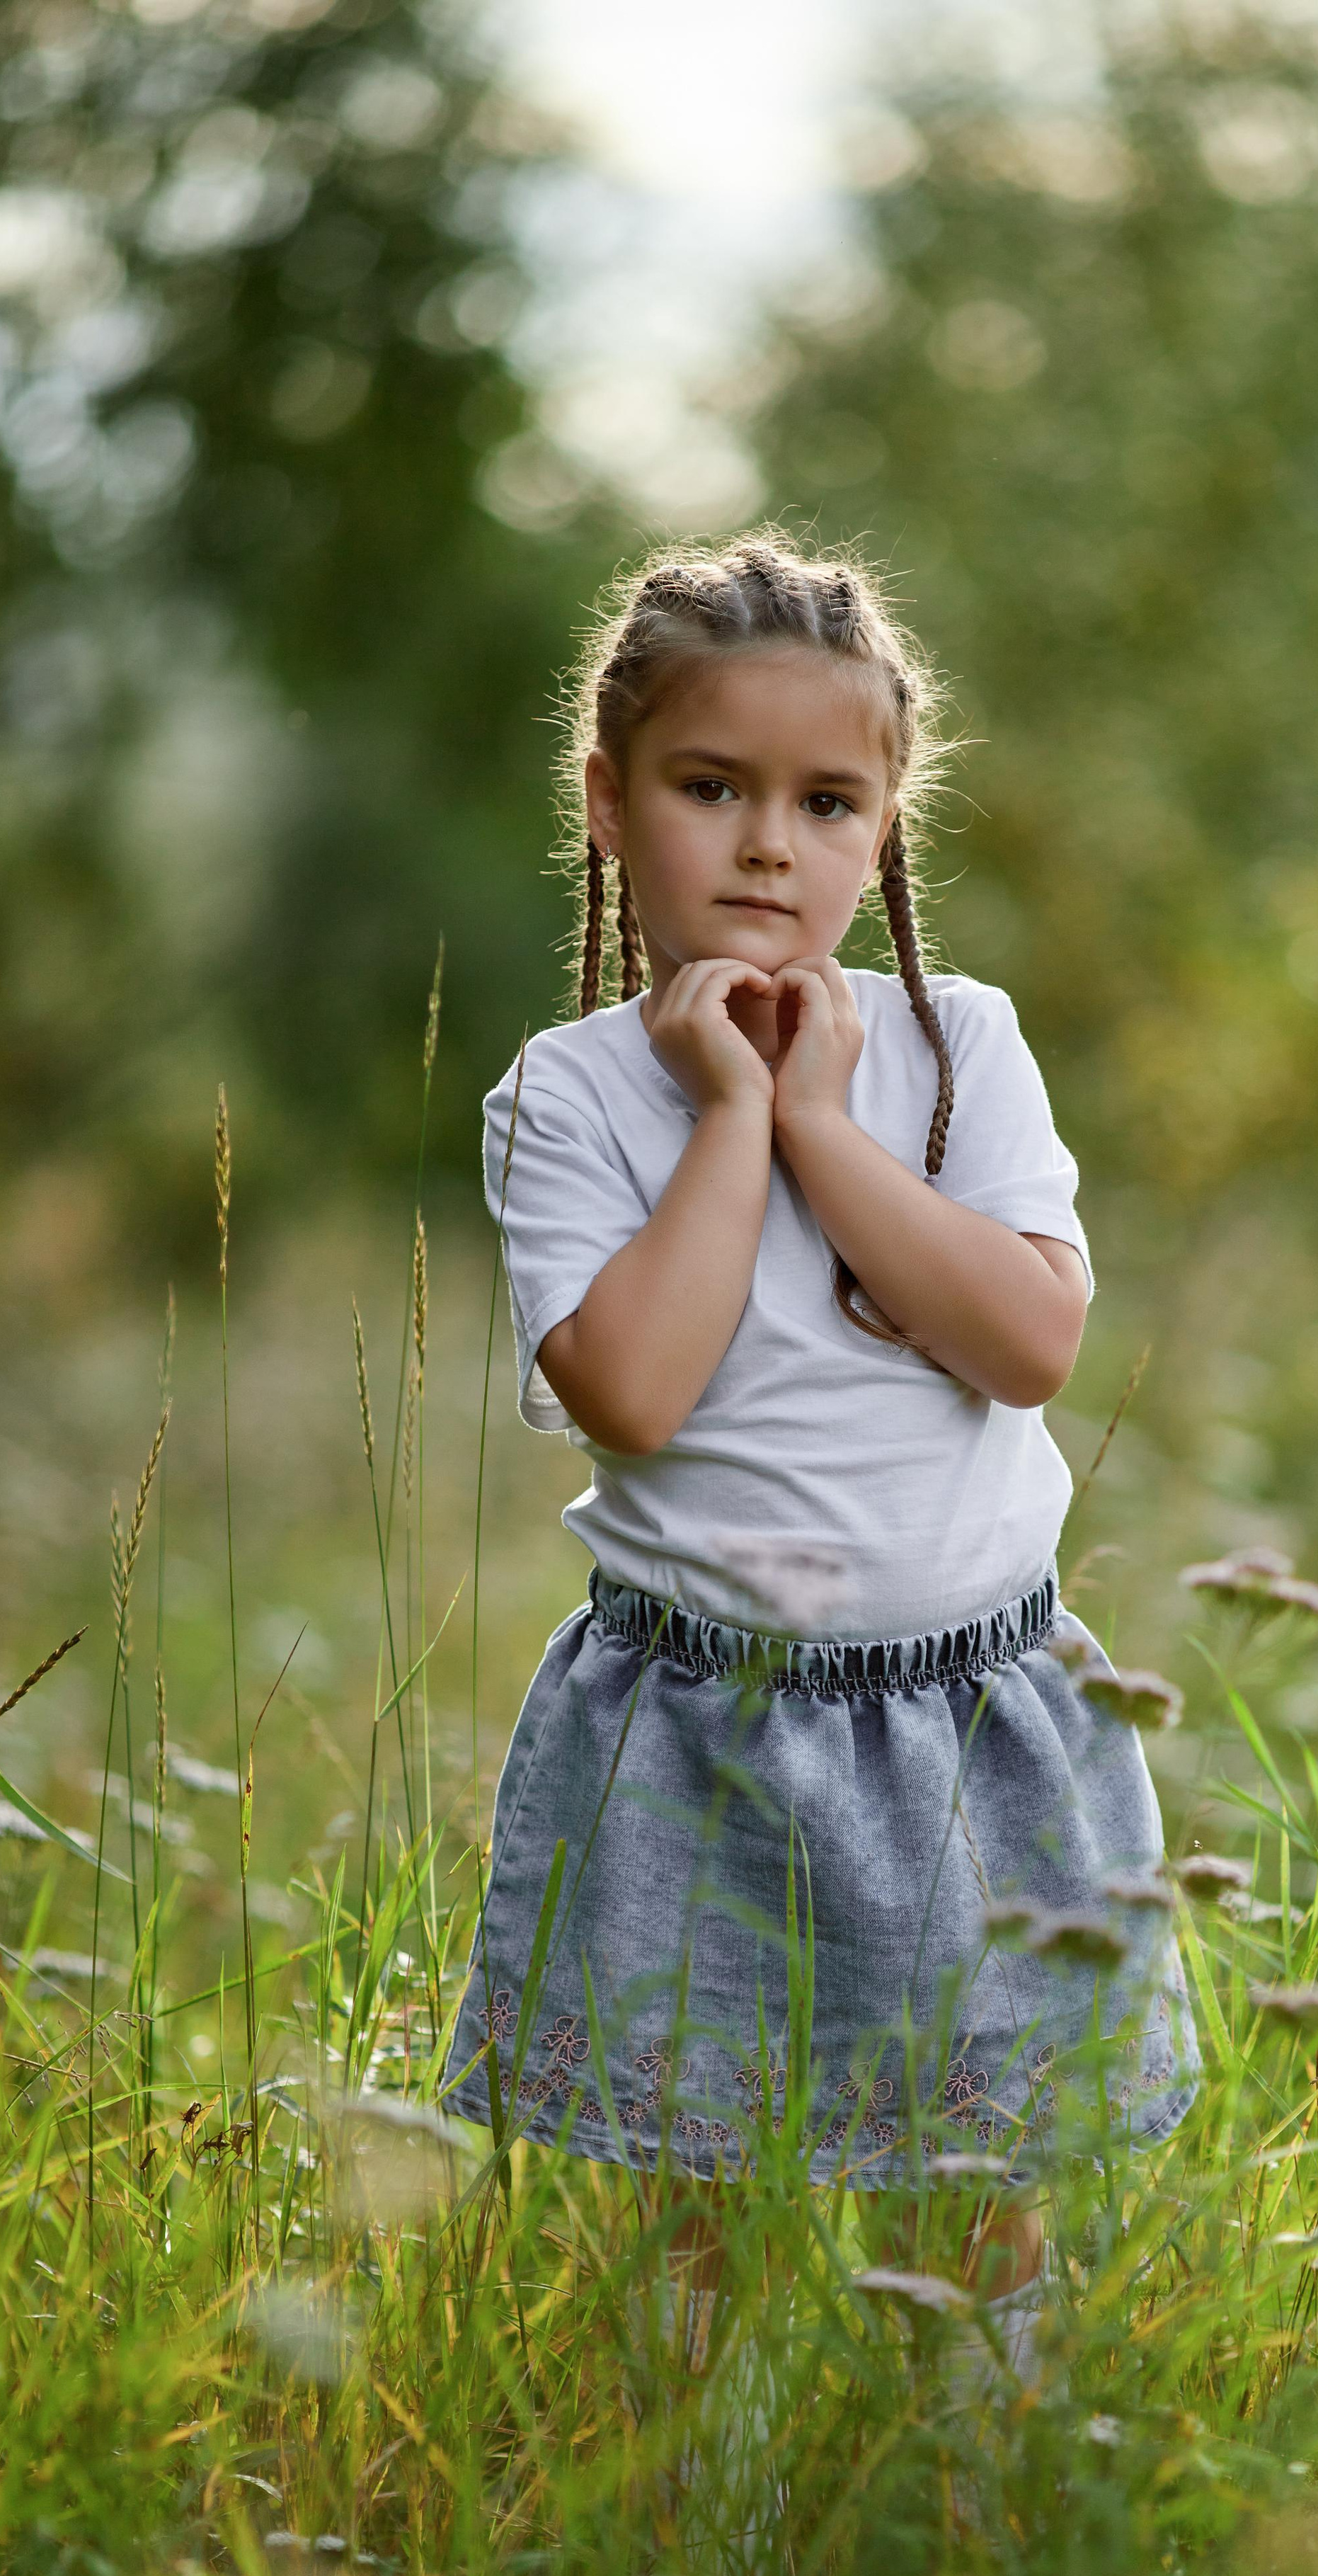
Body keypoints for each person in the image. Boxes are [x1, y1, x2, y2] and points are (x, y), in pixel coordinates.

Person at [445, 532, 1198, 2347]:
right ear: (611, 803)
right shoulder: (569, 1095)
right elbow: (632, 1391)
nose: (771, 843)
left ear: (883, 829)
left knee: (974, 2171)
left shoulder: (959, 1049)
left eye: (827, 802)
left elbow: (1025, 1343)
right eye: (713, 788)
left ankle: (979, 2514)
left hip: (968, 1718)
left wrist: (819, 1119)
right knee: (698, 2185)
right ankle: (707, 2536)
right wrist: (722, 1121)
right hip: (695, 1720)